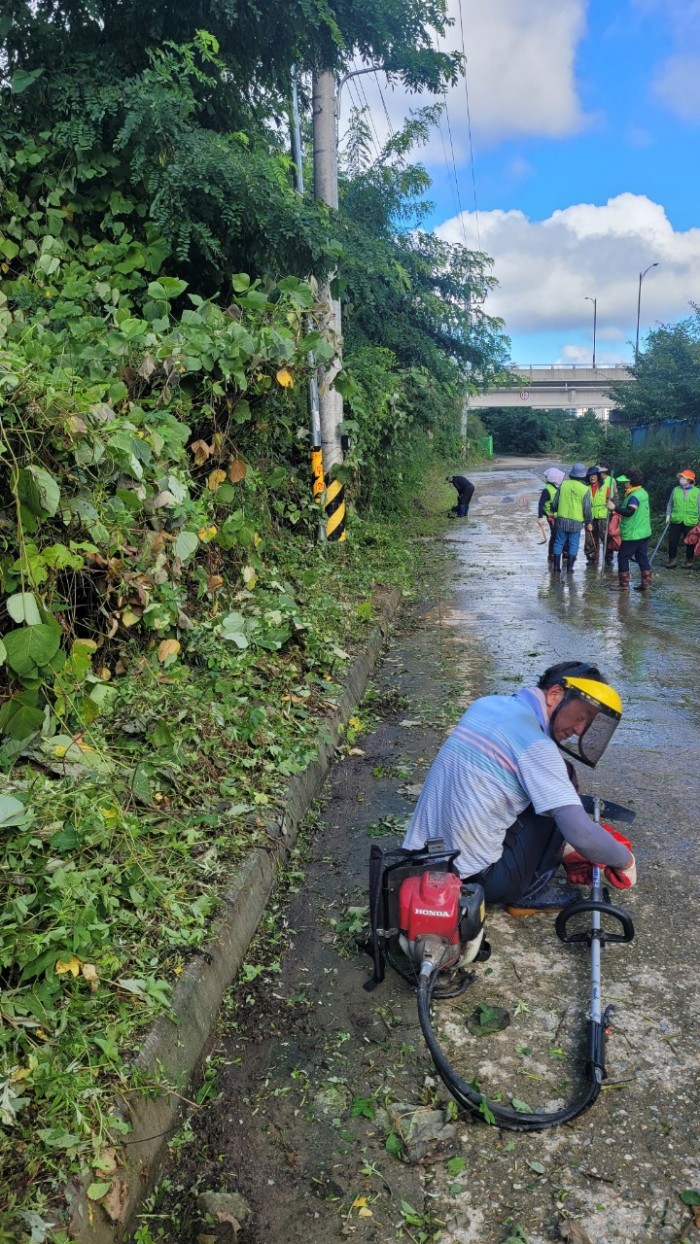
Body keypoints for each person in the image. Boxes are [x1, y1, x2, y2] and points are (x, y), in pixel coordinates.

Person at [402, 660, 636, 916]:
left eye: (587, 724)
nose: (579, 730)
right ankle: (529, 891)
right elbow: (583, 835)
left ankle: (558, 850)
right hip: (478, 879)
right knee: (562, 783)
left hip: (422, 859)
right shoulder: (536, 747)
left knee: (553, 782)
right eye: (581, 717)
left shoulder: (486, 705)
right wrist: (624, 860)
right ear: (556, 694)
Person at [607, 466, 652, 591]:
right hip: (644, 532)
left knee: (622, 556)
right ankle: (646, 582)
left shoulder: (634, 496)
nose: (624, 484)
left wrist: (614, 508)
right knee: (642, 557)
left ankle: (623, 584)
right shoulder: (642, 492)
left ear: (631, 481)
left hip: (633, 533)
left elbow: (629, 512)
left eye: (626, 481)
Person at [550, 463, 593, 574]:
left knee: (559, 542)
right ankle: (569, 568)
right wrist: (589, 522)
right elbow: (587, 509)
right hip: (576, 521)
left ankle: (556, 567)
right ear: (583, 476)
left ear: (572, 474)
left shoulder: (563, 485)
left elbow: (555, 502)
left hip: (562, 519)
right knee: (574, 543)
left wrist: (554, 511)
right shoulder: (585, 490)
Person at [665, 469, 700, 569]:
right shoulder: (676, 490)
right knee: (672, 540)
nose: (681, 479)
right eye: (681, 477)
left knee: (690, 542)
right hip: (676, 519)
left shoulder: (697, 492)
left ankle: (689, 561)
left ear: (689, 480)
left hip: (691, 521)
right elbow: (670, 504)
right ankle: (672, 561)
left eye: (684, 478)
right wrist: (668, 515)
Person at [537, 467, 564, 564]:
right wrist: (540, 517)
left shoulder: (556, 488)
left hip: (558, 515)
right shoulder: (547, 490)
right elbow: (541, 504)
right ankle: (551, 554)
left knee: (560, 534)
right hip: (551, 516)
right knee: (555, 534)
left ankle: (560, 552)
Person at [583, 465, 609, 565]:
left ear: (598, 476)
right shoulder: (585, 489)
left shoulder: (605, 488)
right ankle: (591, 558)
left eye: (594, 475)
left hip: (602, 517)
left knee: (605, 538)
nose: (592, 477)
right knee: (590, 539)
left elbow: (610, 502)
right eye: (590, 475)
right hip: (590, 517)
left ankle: (608, 559)